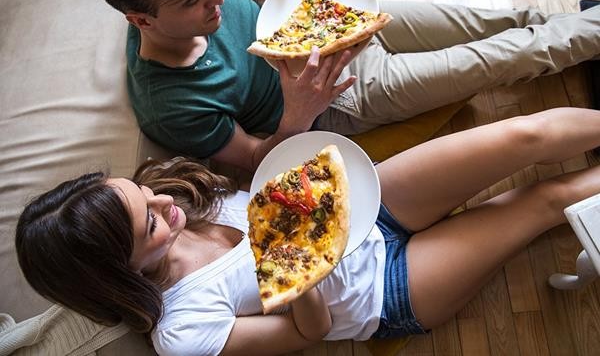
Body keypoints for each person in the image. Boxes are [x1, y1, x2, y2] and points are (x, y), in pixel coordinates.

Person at [16, 107, 600, 355]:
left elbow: (277, 180)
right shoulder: (183, 331)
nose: (162, 198)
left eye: (140, 191)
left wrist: (303, 121)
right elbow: (306, 335)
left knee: (522, 137)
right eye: (150, 220)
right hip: (384, 290)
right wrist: (295, 270)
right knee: (543, 199)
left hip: (370, 205)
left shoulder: (176, 196)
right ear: (120, 269)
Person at [83, 0, 600, 172]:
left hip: (334, 30)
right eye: (195, 0)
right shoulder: (172, 104)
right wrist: (296, 112)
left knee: (493, 20)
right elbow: (261, 161)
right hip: (339, 93)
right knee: (502, 58)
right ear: (140, 19)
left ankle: (583, 29)